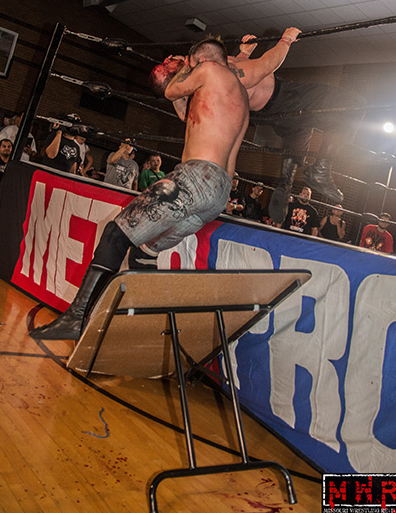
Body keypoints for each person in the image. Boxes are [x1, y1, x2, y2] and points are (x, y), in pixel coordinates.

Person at [30, 36, 249, 341]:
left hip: (196, 176)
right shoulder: (238, 94)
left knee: (115, 233)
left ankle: (76, 318)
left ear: (200, 60)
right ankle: (133, 330)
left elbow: (170, 90)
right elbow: (187, 113)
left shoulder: (209, 69)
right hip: (217, 195)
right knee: (145, 251)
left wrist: (179, 69)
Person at [229, 30, 366, 224]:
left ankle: (285, 182)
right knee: (355, 105)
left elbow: (243, 74)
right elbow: (267, 65)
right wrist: (286, 39)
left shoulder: (221, 67)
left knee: (300, 126)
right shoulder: (217, 73)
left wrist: (244, 53)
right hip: (283, 97)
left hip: (272, 108)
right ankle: (320, 169)